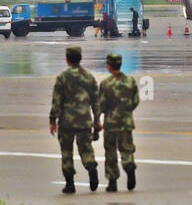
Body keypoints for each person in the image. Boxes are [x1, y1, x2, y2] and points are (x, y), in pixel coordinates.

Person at [49, 45, 100, 193]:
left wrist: (53, 120)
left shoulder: (62, 78)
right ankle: (91, 168)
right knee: (86, 148)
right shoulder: (89, 77)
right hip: (84, 120)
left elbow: (56, 101)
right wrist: (97, 121)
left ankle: (70, 183)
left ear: (67, 60)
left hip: (66, 121)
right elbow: (96, 102)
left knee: (66, 152)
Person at [97, 52, 140, 192]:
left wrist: (99, 119)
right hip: (126, 122)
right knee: (126, 149)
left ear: (109, 66)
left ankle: (112, 181)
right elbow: (135, 101)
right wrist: (126, 112)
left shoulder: (105, 84)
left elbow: (101, 105)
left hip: (111, 123)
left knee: (110, 152)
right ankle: (129, 166)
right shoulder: (130, 81)